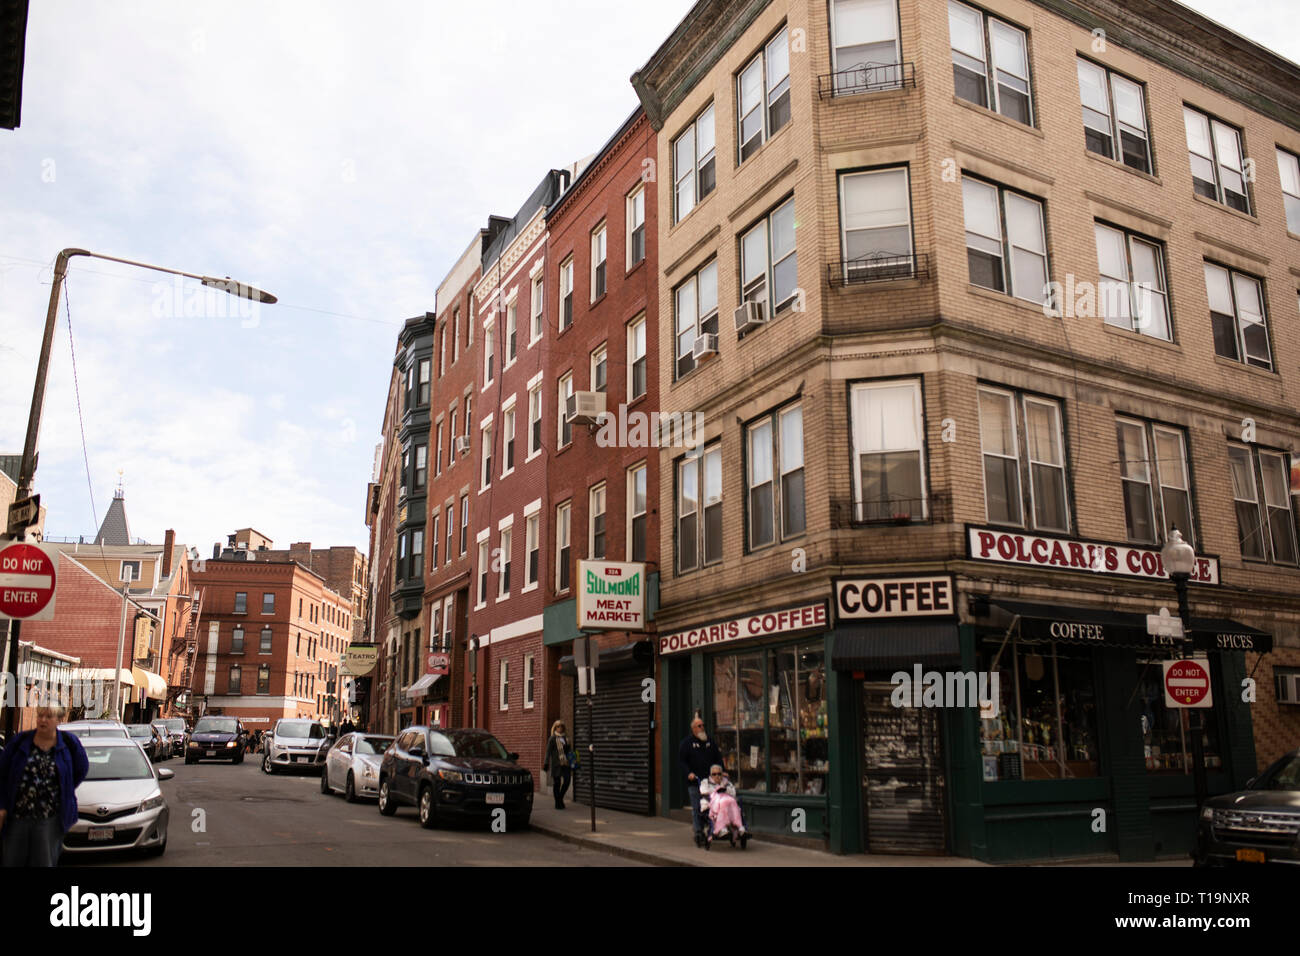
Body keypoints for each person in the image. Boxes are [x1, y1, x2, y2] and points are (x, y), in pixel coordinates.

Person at [0, 705, 89, 867]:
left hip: (49, 820)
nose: (43, 720)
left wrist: (64, 788)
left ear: (59, 720)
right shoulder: (20, 742)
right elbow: (3, 775)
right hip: (17, 818)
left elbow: (80, 769)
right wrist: (2, 806)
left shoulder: (69, 744)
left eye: (49, 717)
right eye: (40, 716)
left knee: (44, 862)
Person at [678, 716, 723, 845]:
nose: (702, 728)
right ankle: (698, 831)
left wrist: (722, 770)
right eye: (699, 726)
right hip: (695, 782)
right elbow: (682, 761)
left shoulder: (710, 741)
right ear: (693, 729)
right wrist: (689, 773)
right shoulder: (686, 743)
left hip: (710, 781)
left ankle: (715, 827)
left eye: (703, 725)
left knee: (712, 805)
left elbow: (718, 758)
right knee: (697, 807)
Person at [699, 764, 745, 841]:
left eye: (719, 774)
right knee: (723, 803)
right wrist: (717, 790)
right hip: (711, 804)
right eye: (714, 774)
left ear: (722, 774)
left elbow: (733, 793)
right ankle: (721, 828)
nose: (717, 776)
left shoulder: (727, 783)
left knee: (733, 802)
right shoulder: (705, 782)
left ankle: (740, 826)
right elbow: (704, 791)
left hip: (728, 805)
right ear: (710, 775)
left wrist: (725, 789)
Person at [542, 720, 574, 810]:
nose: (560, 728)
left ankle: (560, 798)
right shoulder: (552, 738)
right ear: (555, 728)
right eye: (558, 727)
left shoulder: (566, 738)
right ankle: (558, 802)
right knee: (557, 783)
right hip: (556, 764)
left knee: (567, 781)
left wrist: (573, 761)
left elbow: (570, 750)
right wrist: (546, 763)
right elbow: (548, 751)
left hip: (566, 763)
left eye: (561, 727)